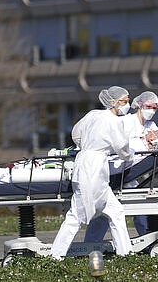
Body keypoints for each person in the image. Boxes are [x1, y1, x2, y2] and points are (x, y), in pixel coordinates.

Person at [50, 86, 135, 260]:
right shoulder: (114, 121)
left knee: (116, 211)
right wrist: (129, 157)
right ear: (114, 102)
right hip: (93, 169)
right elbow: (121, 147)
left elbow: (76, 132)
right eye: (125, 102)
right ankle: (55, 256)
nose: (128, 105)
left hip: (85, 163)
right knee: (76, 216)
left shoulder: (93, 115)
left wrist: (85, 146)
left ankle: (125, 254)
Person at [84, 91, 158, 242]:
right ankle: (90, 245)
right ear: (139, 106)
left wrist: (156, 139)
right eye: (149, 106)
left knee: (141, 206)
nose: (152, 111)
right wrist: (142, 141)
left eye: (156, 108)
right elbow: (120, 144)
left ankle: (146, 239)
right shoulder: (126, 122)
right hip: (117, 171)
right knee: (103, 213)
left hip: (133, 174)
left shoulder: (150, 125)